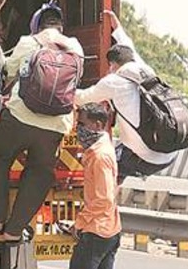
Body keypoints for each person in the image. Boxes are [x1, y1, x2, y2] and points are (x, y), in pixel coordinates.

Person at [0, 3, 84, 243]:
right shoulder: (76, 47)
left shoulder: (28, 42)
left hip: (20, 116)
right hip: (55, 124)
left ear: (37, 25)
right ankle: (14, 229)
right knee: (40, 173)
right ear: (60, 27)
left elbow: (9, 71)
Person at [74, 10, 177, 183]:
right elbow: (128, 46)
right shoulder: (144, 70)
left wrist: (57, 89)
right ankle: (111, 204)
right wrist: (115, 23)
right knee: (118, 156)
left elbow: (83, 97)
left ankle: (105, 207)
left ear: (113, 65)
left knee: (105, 168)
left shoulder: (114, 81)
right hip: (170, 151)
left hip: (147, 156)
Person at [56, 103, 121, 269]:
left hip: (96, 231)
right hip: (110, 228)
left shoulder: (99, 155)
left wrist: (78, 225)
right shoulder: (103, 149)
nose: (78, 129)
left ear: (97, 125)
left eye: (81, 124)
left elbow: (103, 198)